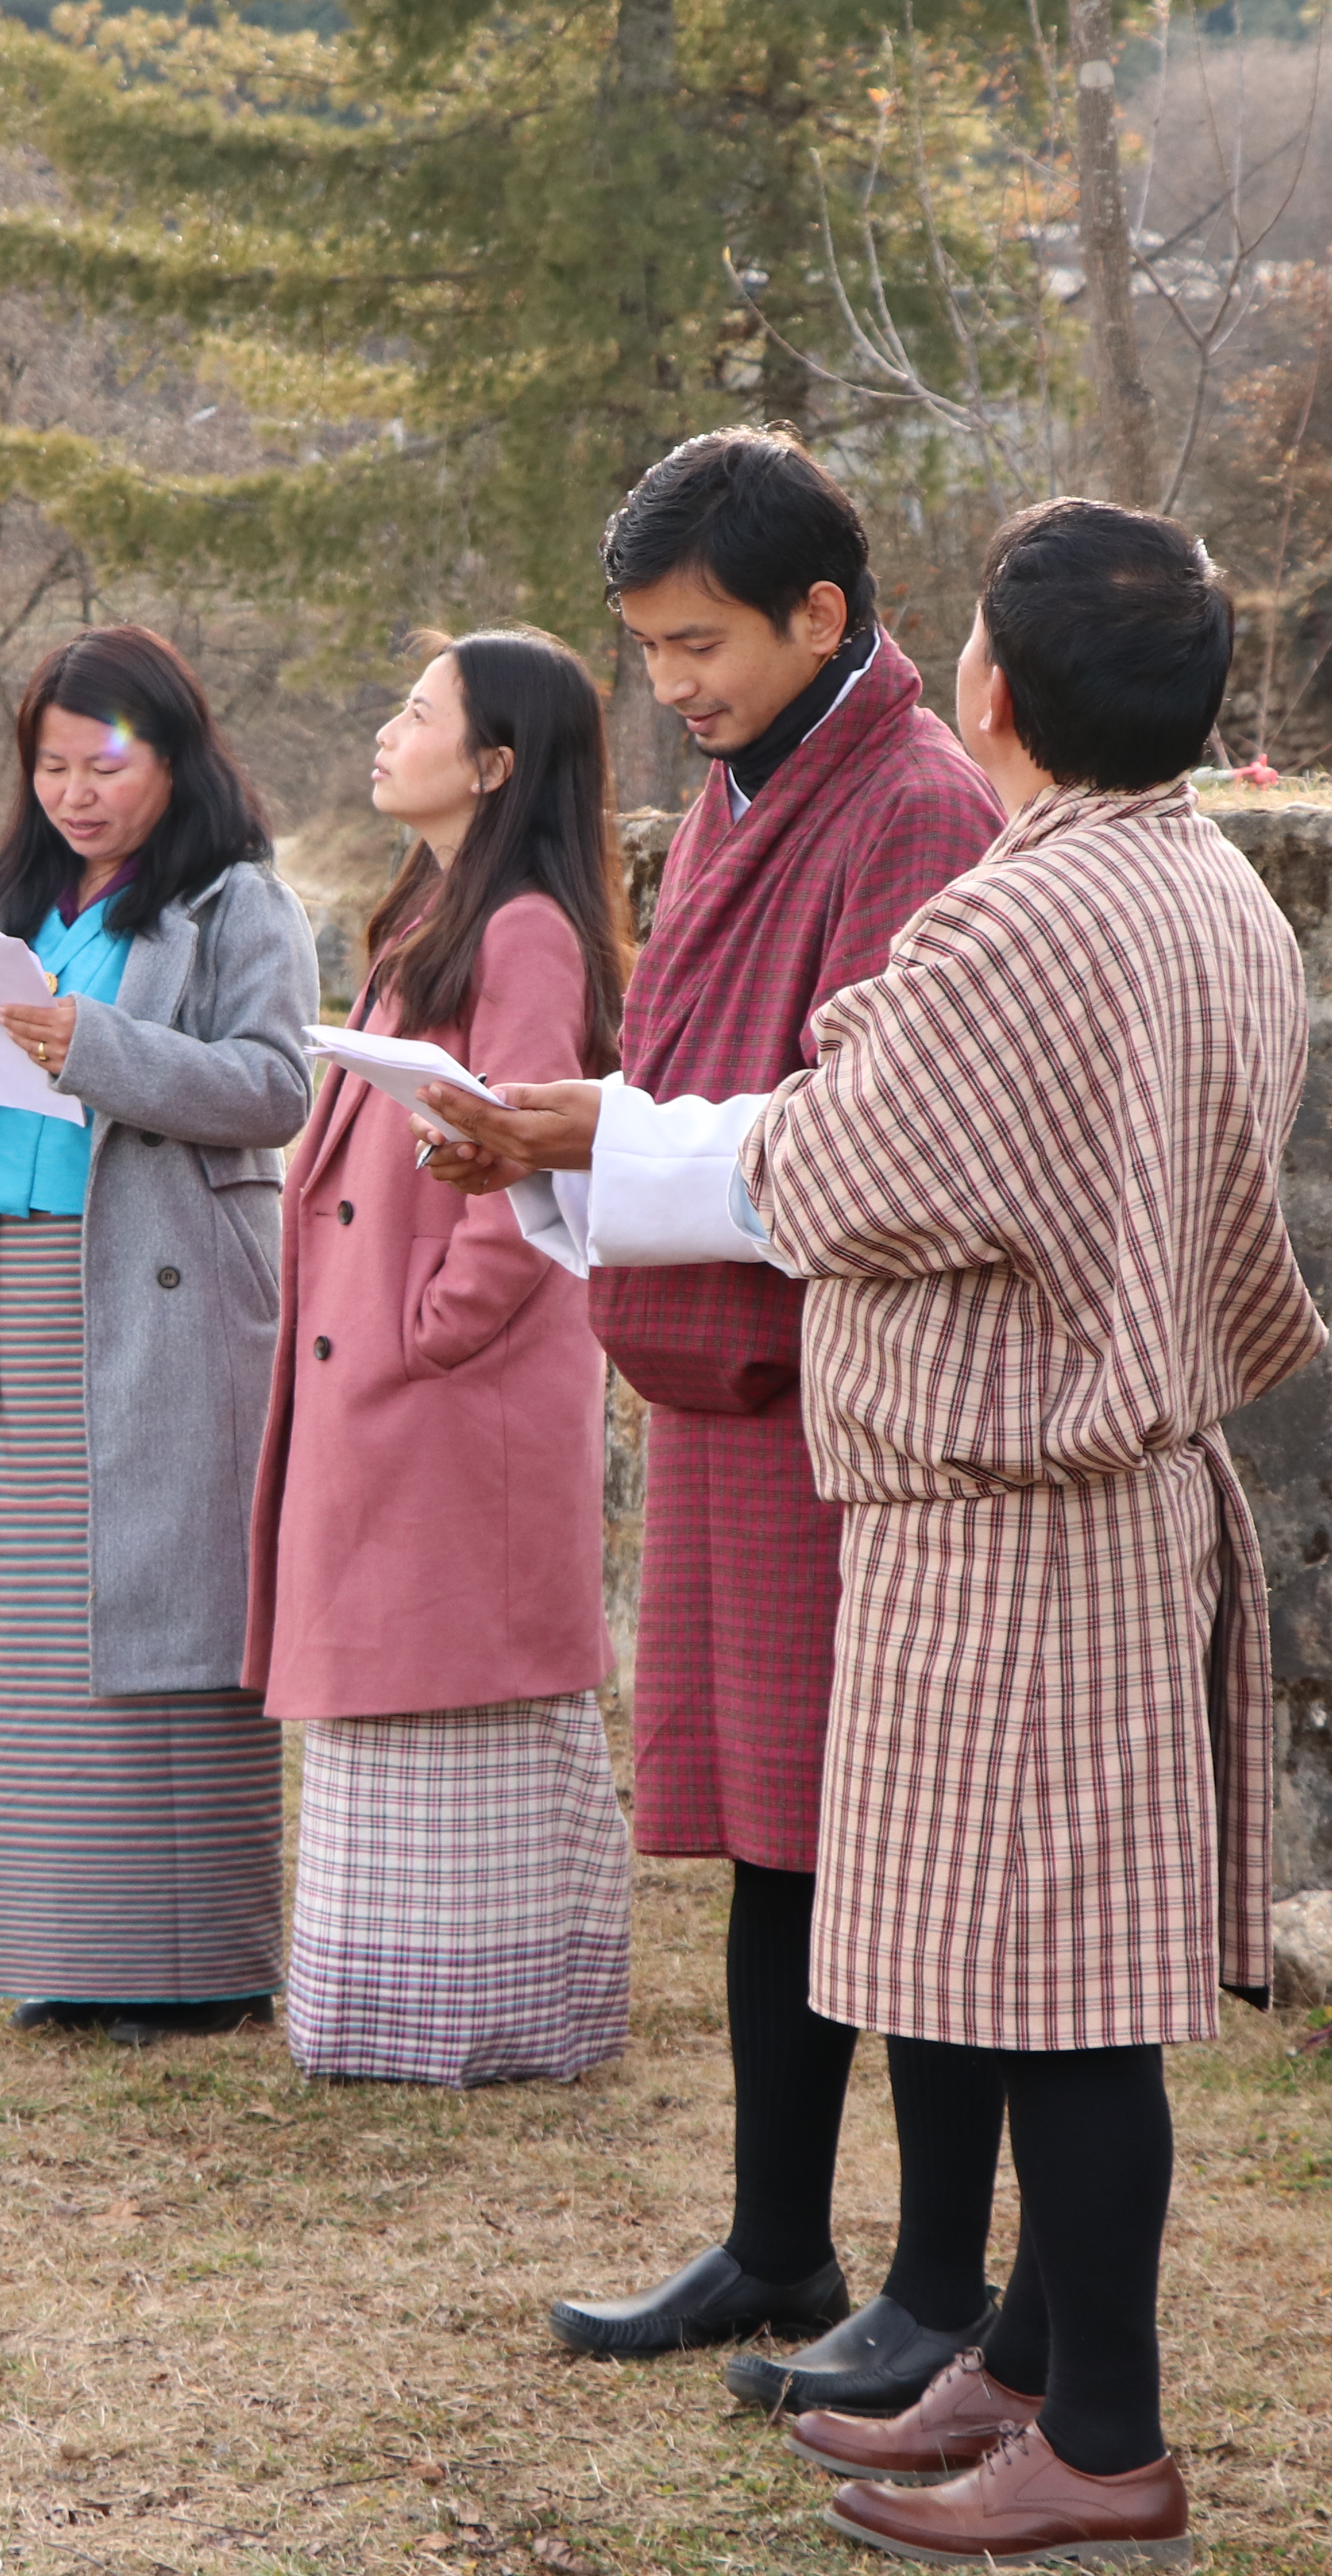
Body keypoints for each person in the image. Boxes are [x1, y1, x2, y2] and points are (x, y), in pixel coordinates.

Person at [419, 499, 1319, 2566]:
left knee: (1062, 2008)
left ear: (991, 686)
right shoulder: (1213, 887)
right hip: (1114, 1478)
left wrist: (605, 1134)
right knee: (1032, 1983)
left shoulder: (1022, 910)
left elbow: (844, 1165)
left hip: (1021, 1501)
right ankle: (1019, 2366)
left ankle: (1101, 2440)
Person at [525, 431, 1018, 2418]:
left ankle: (938, 2279)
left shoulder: (911, 799)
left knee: (888, 1845)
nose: (675, 688)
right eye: (647, 651)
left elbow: (889, 1134)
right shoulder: (744, 785)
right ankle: (777, 2233)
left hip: (848, 1382)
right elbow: (699, 1062)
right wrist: (573, 1149)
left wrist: (615, 1146)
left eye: (702, 644)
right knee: (766, 1835)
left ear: (826, 614)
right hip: (727, 1376)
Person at [0, 627, 315, 2042]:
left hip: (160, 1289)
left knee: (162, 1621)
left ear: (174, 759)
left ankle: (194, 1963)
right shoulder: (22, 902)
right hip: (21, 1291)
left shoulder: (241, 902)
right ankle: (63, 1944)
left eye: (104, 764)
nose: (76, 791)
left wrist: (89, 1044)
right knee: (53, 1647)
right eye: (52, 764)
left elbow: (271, 1087)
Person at [240, 627, 638, 2088]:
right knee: (400, 1676)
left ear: (494, 762)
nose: (387, 731)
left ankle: (480, 2009)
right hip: (396, 1369)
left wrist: (435, 1326)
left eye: (420, 713)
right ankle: (402, 2006)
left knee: (449, 1676)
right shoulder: (437, 902)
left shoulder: (523, 924)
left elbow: (526, 1140)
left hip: (444, 1379)